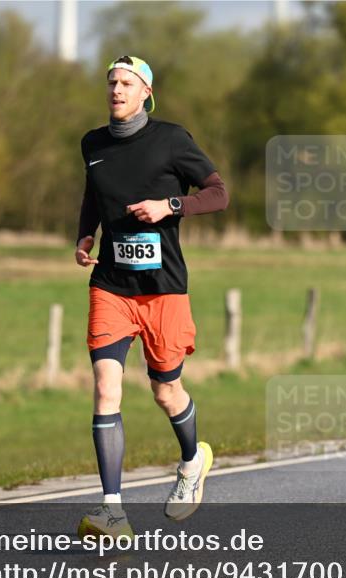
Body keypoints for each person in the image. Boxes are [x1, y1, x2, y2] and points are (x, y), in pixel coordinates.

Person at [75, 56, 229, 537]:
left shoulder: (172, 139)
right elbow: (93, 193)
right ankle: (112, 511)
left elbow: (219, 192)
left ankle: (191, 462)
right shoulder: (93, 143)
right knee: (105, 388)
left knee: (165, 390)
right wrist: (85, 235)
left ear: (146, 92)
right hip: (111, 285)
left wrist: (170, 205)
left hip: (163, 289)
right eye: (111, 82)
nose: (116, 90)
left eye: (126, 83)